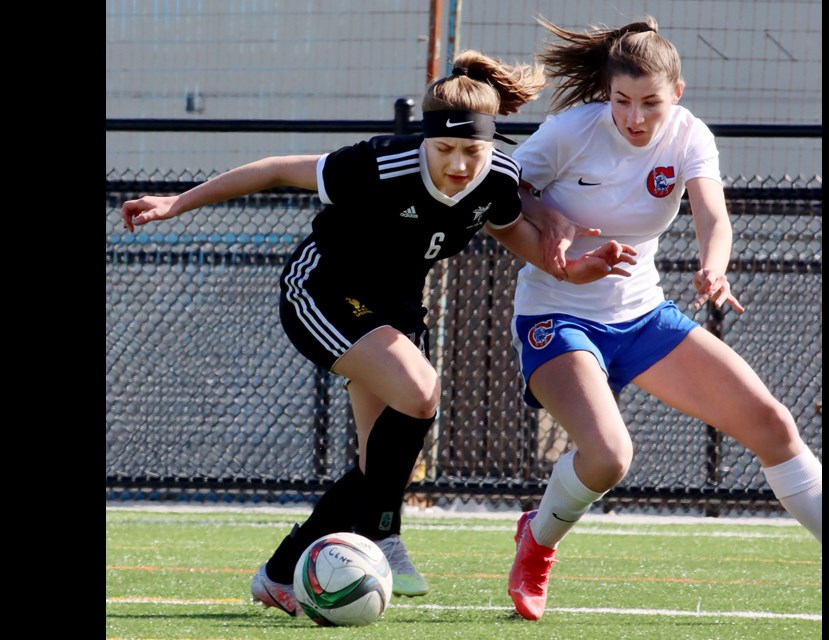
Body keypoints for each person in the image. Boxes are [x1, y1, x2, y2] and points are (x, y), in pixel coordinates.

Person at [120, 50, 635, 617]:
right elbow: (271, 170)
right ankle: (384, 533)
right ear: (424, 141)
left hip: (393, 311)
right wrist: (175, 204)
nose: (460, 164)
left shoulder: (497, 181)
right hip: (322, 293)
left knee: (378, 465)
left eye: (474, 150)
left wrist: (578, 267)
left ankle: (279, 571)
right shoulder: (379, 165)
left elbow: (527, 242)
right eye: (445, 149)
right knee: (420, 391)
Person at [504, 16, 823, 621]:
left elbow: (713, 215)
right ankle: (537, 542)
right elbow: (501, 191)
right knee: (608, 457)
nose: (634, 117)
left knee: (773, 424)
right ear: (607, 93)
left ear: (676, 93)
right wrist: (548, 215)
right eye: (622, 100)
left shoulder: (689, 136)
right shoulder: (570, 131)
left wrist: (714, 267)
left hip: (644, 317)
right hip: (558, 314)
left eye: (650, 101)